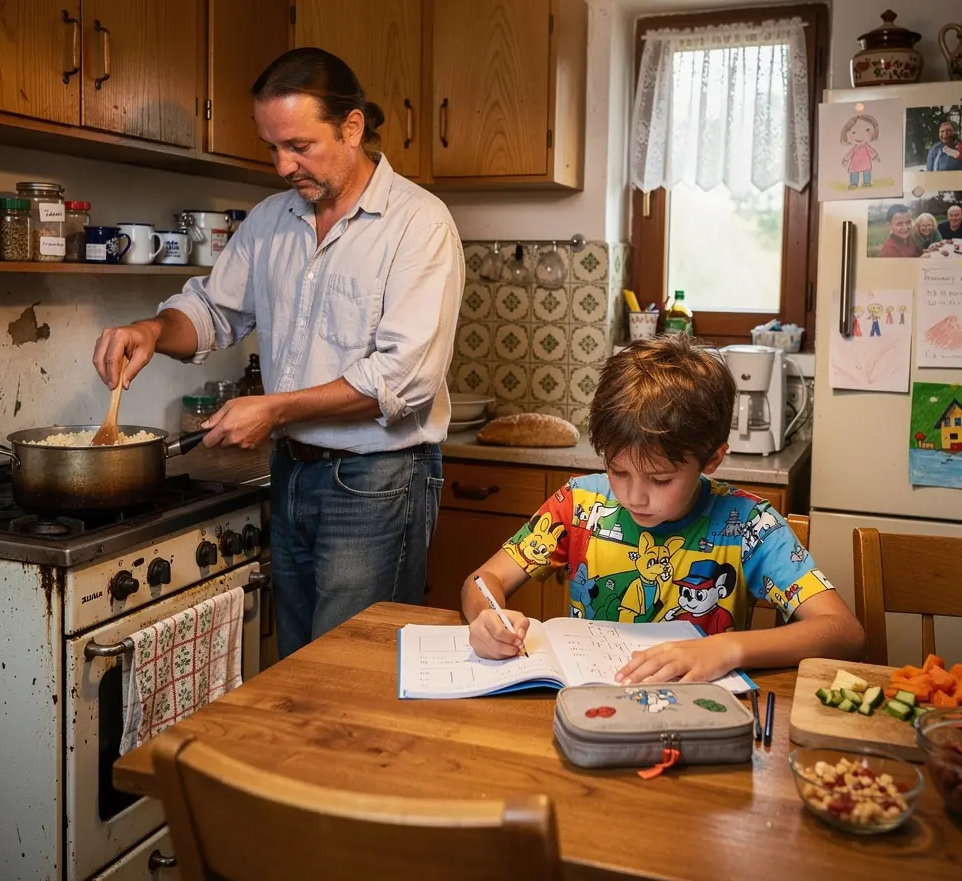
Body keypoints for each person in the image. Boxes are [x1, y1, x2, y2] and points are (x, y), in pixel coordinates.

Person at [92, 48, 465, 657]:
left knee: (349, 671)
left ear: (351, 126)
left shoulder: (418, 224)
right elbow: (213, 312)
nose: (283, 165)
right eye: (272, 148)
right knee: (295, 665)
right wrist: (155, 331)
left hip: (377, 481)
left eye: (299, 145)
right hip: (292, 473)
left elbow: (404, 379)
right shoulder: (271, 221)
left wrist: (274, 409)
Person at [462, 334, 865, 683]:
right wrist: (486, 616)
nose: (634, 496)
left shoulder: (748, 525)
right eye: (617, 471)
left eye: (660, 480)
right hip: (588, 705)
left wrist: (727, 650)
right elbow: (482, 580)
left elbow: (843, 632)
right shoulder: (578, 505)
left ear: (711, 459)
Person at [840, 112, 880, 188]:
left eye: (867, 130)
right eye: (854, 132)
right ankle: (853, 183)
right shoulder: (854, 148)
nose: (860, 136)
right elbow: (849, 154)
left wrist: (875, 157)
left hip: (865, 161)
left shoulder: (866, 147)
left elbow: (871, 152)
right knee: (854, 172)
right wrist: (845, 160)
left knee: (867, 171)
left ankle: (866, 183)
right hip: (855, 162)